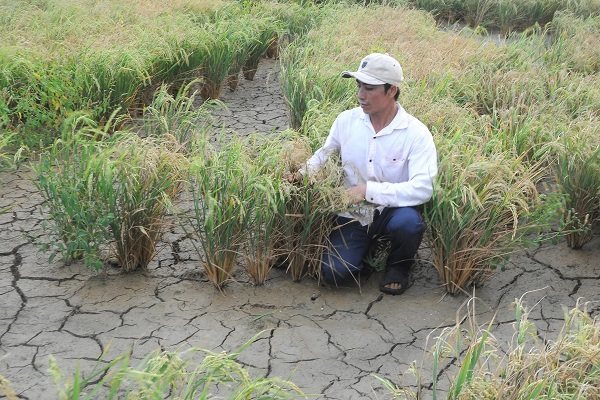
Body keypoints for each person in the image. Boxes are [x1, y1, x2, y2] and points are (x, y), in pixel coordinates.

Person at [297, 53, 438, 295]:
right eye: (359, 86)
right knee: (334, 272)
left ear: (392, 90)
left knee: (409, 224)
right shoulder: (346, 121)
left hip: (392, 211)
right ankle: (367, 256)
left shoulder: (415, 133)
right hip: (353, 213)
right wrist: (301, 175)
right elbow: (324, 154)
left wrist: (367, 191)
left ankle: (399, 265)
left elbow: (424, 187)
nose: (361, 95)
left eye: (370, 88)